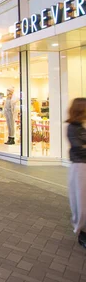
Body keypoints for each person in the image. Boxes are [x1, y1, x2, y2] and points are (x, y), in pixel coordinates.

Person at [66, 98, 86, 249]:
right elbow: (78, 147)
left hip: (81, 164)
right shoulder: (73, 127)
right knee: (80, 199)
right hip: (80, 166)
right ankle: (81, 230)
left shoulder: (79, 126)